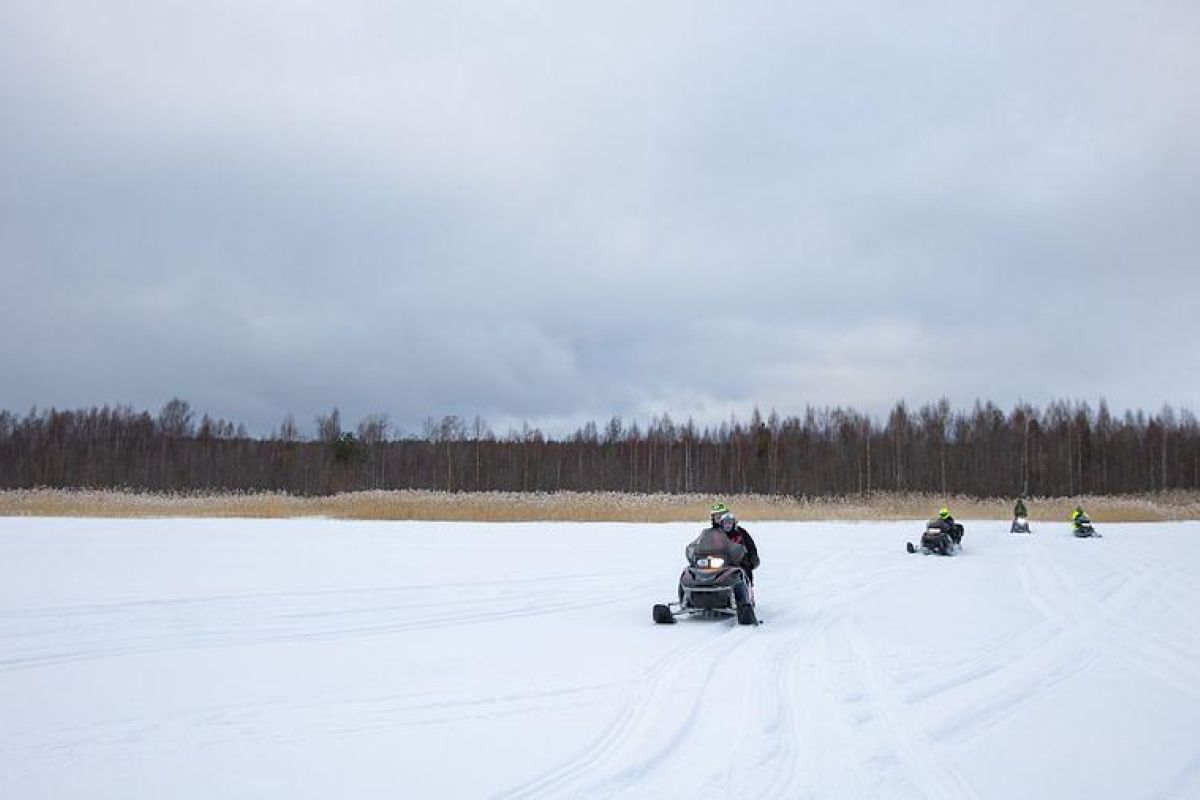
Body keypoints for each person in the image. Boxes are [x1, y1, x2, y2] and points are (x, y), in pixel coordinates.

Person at [717, 511, 760, 584]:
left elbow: (750, 545)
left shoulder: (741, 533)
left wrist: (753, 558)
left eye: (730, 523)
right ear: (721, 524)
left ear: (734, 524)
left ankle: (747, 584)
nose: (727, 526)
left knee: (745, 564)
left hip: (738, 559)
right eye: (725, 523)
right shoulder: (717, 533)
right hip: (720, 558)